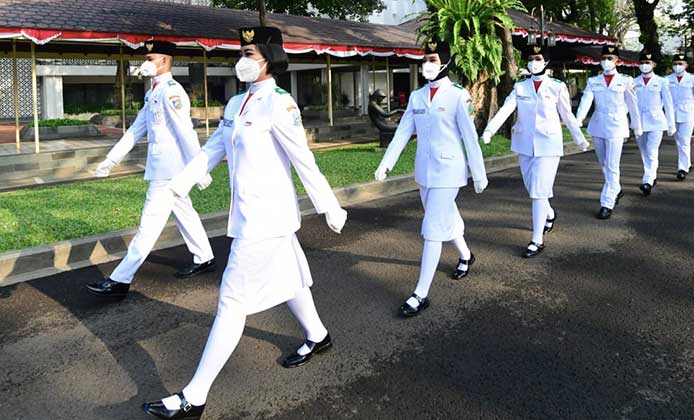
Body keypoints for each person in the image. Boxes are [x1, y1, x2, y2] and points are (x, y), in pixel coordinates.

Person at [142, 27, 348, 420]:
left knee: (232, 303)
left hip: (266, 219)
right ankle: (318, 336)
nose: (242, 59)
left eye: (249, 52)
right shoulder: (237, 103)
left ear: (269, 57)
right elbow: (212, 149)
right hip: (249, 216)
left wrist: (329, 206)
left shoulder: (280, 105)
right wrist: (177, 186)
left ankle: (194, 396)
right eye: (241, 51)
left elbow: (305, 161)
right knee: (290, 280)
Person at [86, 40, 215, 299]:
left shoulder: (172, 92)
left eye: (150, 57)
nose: (145, 63)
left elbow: (185, 133)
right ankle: (205, 256)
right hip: (165, 169)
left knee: (149, 226)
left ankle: (120, 279)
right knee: (184, 213)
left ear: (165, 61)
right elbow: (136, 130)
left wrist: (200, 169)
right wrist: (111, 159)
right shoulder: (153, 92)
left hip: (168, 172)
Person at [374, 38, 487, 318]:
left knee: (433, 227)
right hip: (424, 170)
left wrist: (479, 173)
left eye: (433, 59)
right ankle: (465, 255)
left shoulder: (459, 95)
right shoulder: (417, 96)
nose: (427, 64)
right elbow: (402, 133)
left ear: (446, 62)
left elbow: (470, 138)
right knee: (444, 216)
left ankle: (420, 293)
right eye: (425, 59)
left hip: (449, 171)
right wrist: (386, 163)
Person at [482, 42, 589, 257]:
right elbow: (506, 110)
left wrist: (579, 139)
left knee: (538, 191)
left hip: (548, 145)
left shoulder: (557, 86)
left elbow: (567, 115)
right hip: (524, 144)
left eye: (538, 59)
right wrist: (489, 130)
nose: (533, 63)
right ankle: (549, 213)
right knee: (533, 188)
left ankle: (536, 239)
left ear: (546, 62)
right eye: (530, 60)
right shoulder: (521, 87)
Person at [576, 44, 642, 220]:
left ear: (617, 61)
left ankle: (607, 202)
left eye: (610, 59)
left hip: (617, 125)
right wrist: (579, 119)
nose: (606, 61)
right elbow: (586, 101)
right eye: (604, 58)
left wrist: (636, 125)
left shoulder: (626, 81)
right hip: (598, 124)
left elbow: (633, 104)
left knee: (612, 165)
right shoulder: (593, 81)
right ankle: (616, 189)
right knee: (603, 163)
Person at [633, 50, 676, 195]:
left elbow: (669, 104)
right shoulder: (634, 82)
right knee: (644, 151)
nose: (645, 65)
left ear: (654, 64)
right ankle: (651, 174)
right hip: (639, 121)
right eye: (642, 63)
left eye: (648, 63)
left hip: (656, 121)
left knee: (651, 150)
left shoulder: (662, 82)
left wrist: (671, 124)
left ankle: (647, 180)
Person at [667, 53, 694, 180]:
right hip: (673, 114)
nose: (677, 66)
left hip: (688, 113)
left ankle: (682, 168)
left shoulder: (693, 79)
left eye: (680, 64)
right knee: (678, 141)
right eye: (675, 64)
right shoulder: (667, 79)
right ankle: (687, 164)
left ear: (686, 65)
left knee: (684, 140)